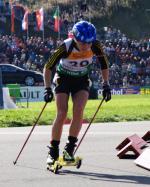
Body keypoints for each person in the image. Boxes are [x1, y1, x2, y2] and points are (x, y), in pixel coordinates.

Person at [43, 20, 111, 166]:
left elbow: (104, 65)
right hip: (63, 79)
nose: (86, 46)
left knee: (79, 111)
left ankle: (69, 150)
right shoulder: (66, 46)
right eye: (82, 42)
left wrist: (106, 85)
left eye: (89, 42)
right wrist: (47, 88)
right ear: (74, 37)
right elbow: (48, 67)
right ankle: (53, 151)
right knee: (62, 113)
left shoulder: (96, 45)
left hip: (81, 80)